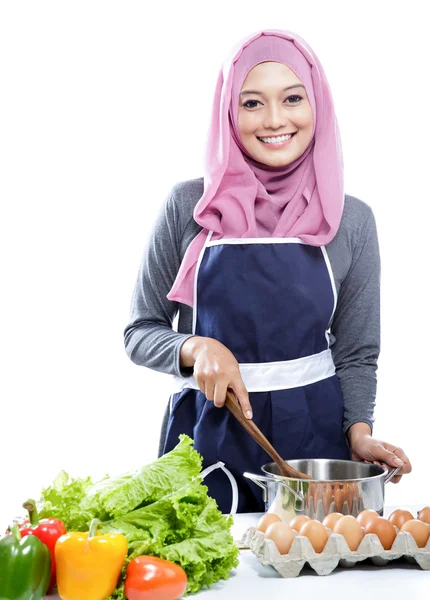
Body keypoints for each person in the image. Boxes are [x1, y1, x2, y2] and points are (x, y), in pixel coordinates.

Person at [124, 29, 412, 513]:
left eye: (293, 98)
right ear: (228, 113)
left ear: (316, 102)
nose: (275, 120)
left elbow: (358, 352)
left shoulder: (351, 219)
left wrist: (359, 433)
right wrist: (197, 347)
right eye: (252, 103)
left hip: (313, 446)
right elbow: (140, 332)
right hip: (205, 441)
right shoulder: (187, 207)